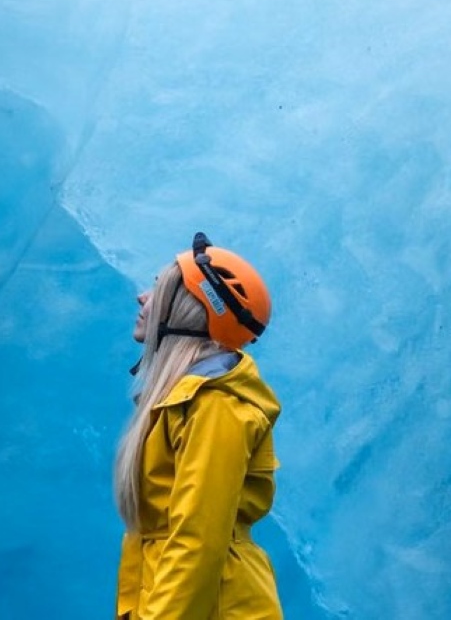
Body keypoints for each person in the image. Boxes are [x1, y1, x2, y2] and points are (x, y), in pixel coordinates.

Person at [114, 232, 283, 620]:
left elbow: (198, 542)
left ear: (192, 308)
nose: (143, 298)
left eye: (160, 289)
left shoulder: (217, 406)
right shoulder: (186, 402)